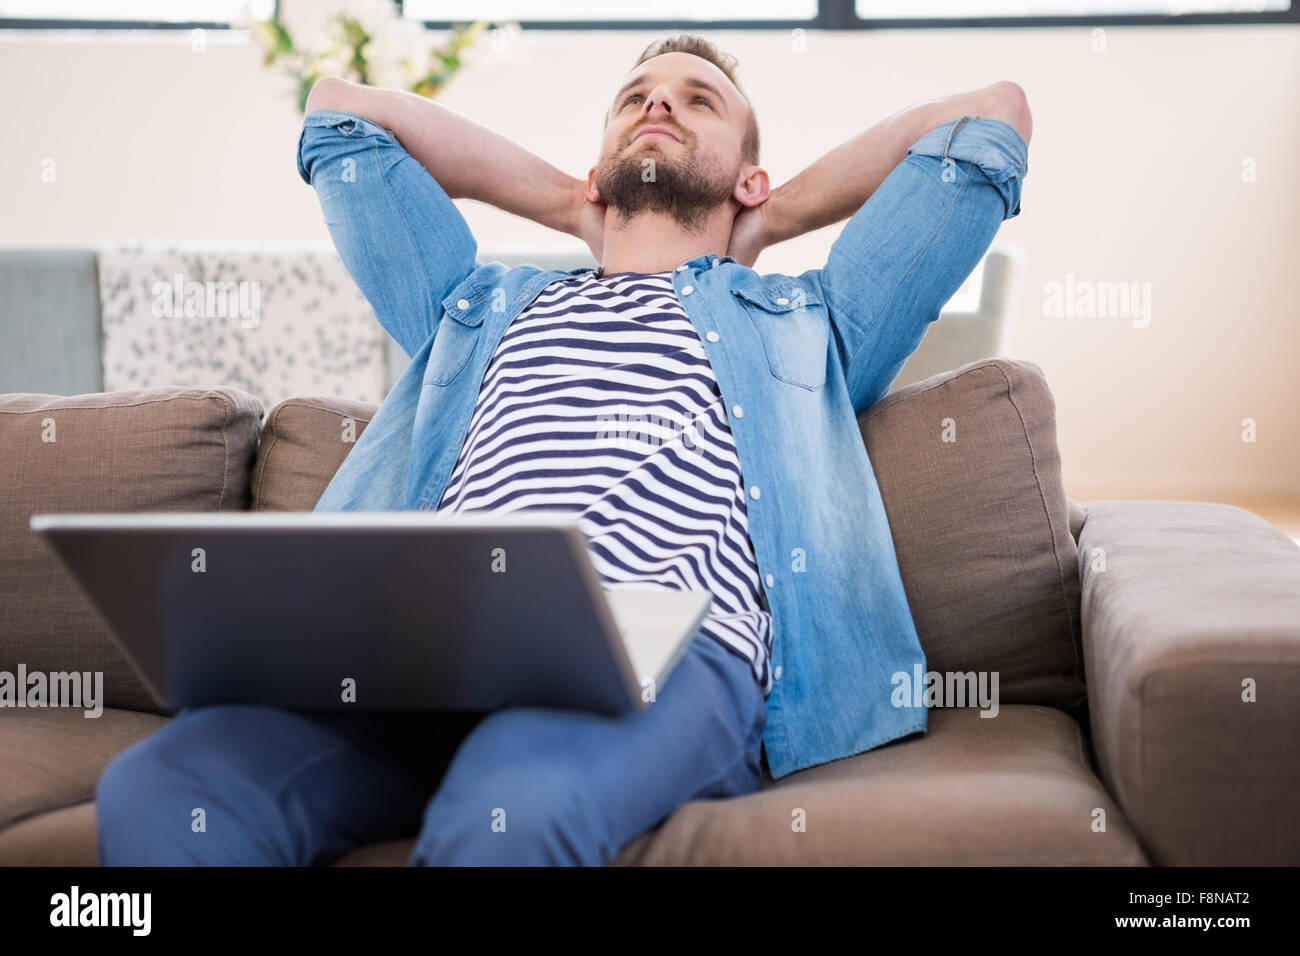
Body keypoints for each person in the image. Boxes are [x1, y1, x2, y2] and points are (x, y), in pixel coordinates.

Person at [96, 34, 1031, 866]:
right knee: (166, 790)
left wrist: (771, 217)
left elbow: (994, 117)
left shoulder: (808, 322)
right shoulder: (478, 306)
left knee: (514, 809)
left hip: (654, 646)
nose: (657, 103)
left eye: (697, 100)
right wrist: (570, 203)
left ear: (751, 174)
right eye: (634, 98)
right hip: (418, 650)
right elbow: (342, 114)